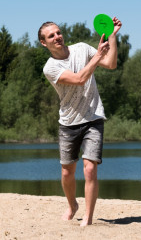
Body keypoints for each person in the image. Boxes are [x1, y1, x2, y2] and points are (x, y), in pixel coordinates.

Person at [38, 17, 122, 226]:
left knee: (90, 168)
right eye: (51, 36)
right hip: (68, 122)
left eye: (58, 32)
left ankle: (88, 217)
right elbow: (79, 79)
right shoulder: (50, 67)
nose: (57, 37)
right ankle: (72, 205)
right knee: (67, 171)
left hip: (93, 117)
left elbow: (110, 64)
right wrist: (97, 56)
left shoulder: (82, 49)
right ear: (44, 43)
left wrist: (111, 36)